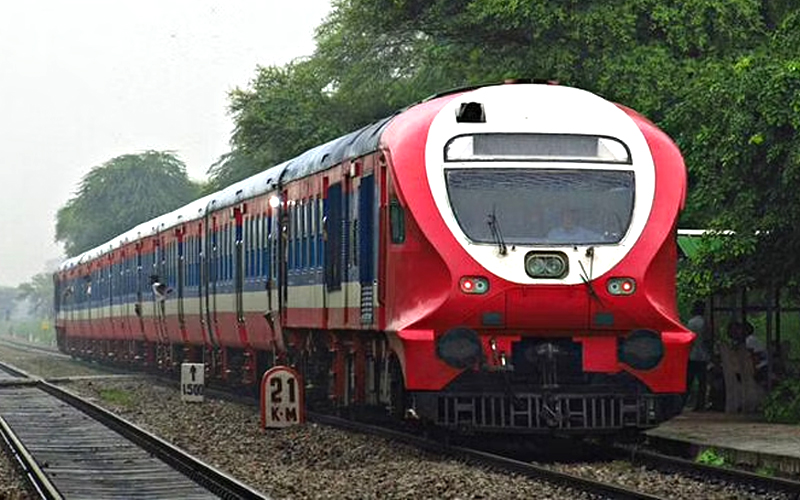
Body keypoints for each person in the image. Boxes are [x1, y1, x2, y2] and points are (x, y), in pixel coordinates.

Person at [685, 300, 710, 411]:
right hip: (702, 356)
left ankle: (684, 401)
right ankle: (700, 404)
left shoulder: (690, 322)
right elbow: (706, 339)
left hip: (691, 355)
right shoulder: (704, 322)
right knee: (702, 382)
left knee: (689, 381)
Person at [743, 321, 768, 385]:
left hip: (761, 366)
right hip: (759, 364)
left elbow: (752, 355)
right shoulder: (750, 339)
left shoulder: (749, 340)